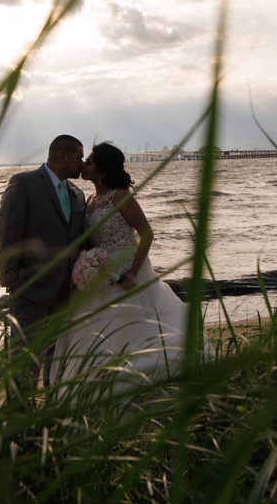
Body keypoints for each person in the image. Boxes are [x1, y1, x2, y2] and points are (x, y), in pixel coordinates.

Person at [49, 142, 188, 393]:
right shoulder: (90, 199)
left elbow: (146, 234)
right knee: (93, 335)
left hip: (127, 276)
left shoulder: (122, 196)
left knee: (131, 332)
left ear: (101, 171)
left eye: (89, 162)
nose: (83, 164)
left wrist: (133, 271)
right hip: (98, 279)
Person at [0, 134, 87, 392]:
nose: (82, 163)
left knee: (56, 364)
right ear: (62, 156)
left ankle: (50, 416)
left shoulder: (77, 194)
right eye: (79, 157)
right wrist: (13, 282)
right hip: (30, 293)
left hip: (64, 295)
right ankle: (18, 423)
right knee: (25, 364)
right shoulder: (24, 184)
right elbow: (6, 233)